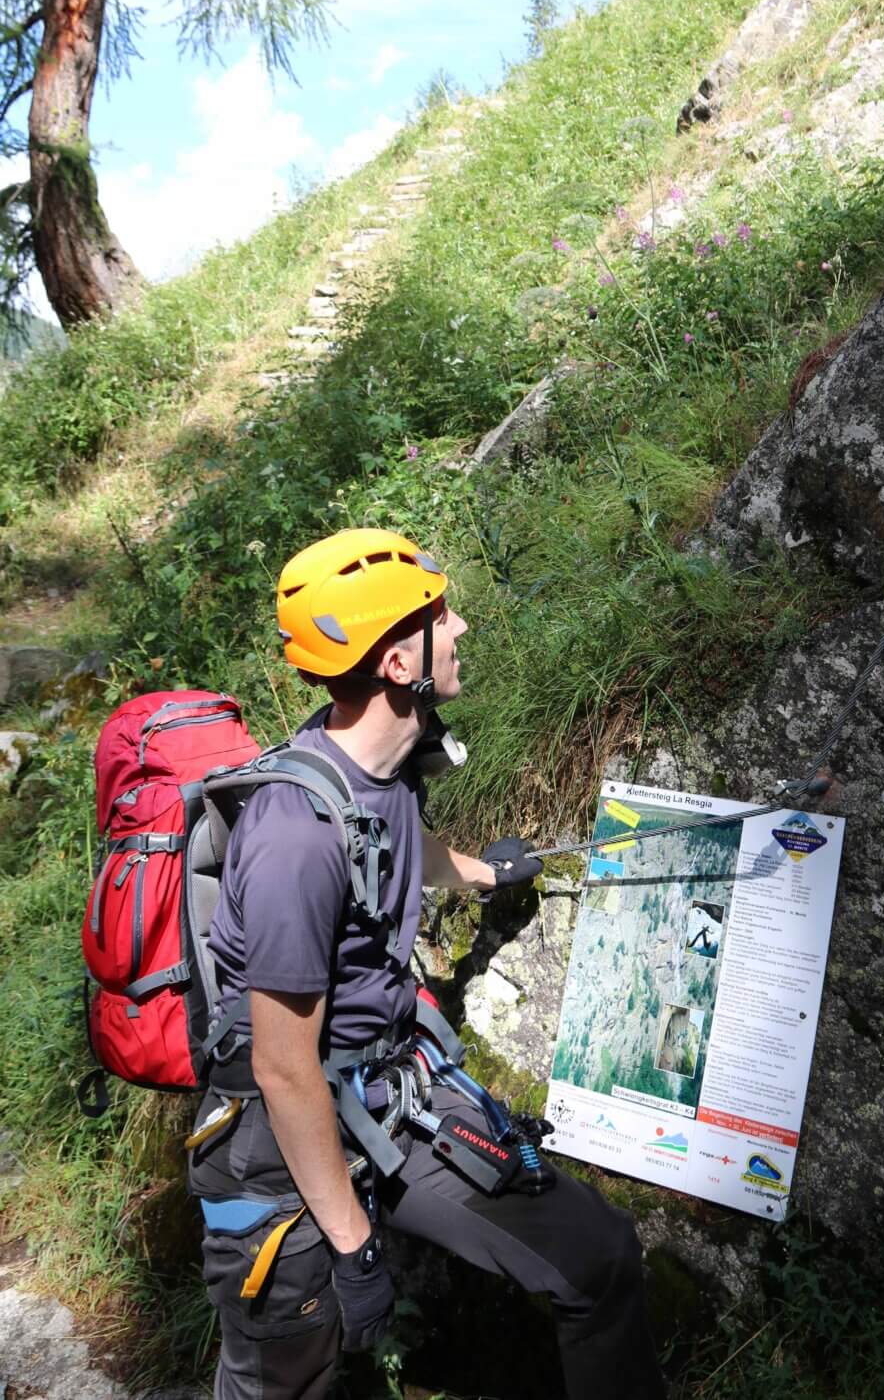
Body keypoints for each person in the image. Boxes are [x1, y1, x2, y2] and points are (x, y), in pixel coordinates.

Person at [188, 527, 665, 1400]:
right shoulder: (292, 839)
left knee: (597, 1257)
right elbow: (282, 1066)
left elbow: (394, 842)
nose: (464, 627)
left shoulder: (382, 764)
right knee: (284, 1379)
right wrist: (350, 1242)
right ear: (398, 663)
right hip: (280, 1143)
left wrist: (482, 872)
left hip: (387, 1092)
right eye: (441, 615)